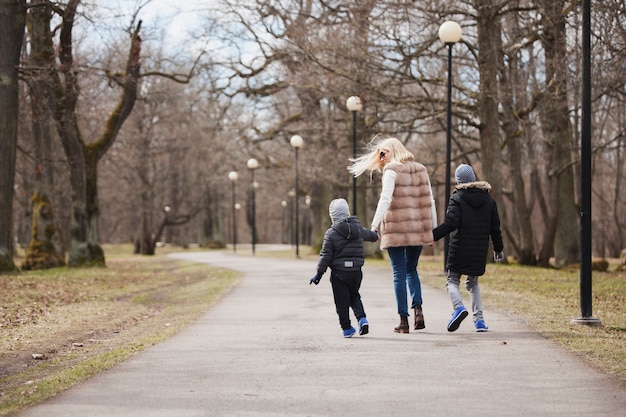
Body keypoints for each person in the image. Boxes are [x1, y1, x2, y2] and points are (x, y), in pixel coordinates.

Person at [348, 137, 437, 333]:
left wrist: (374, 224)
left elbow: (385, 198)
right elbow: (430, 200)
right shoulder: (421, 169)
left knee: (399, 273)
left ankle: (404, 321)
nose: (381, 158)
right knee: (411, 270)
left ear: (393, 151)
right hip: (416, 230)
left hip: (396, 230)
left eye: (383, 153)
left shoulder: (392, 170)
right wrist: (433, 230)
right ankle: (418, 311)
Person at [433, 164, 504, 332]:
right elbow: (495, 228)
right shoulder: (488, 200)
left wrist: (432, 236)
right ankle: (479, 321)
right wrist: (498, 249)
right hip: (479, 250)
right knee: (473, 283)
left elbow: (451, 223)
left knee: (452, 280)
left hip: (459, 247)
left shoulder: (457, 198)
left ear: (458, 181)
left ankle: (458, 307)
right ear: (473, 178)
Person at [309, 198, 379, 338]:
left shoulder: (331, 233)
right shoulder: (358, 229)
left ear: (332, 216)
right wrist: (375, 236)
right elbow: (369, 235)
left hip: (339, 274)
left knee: (341, 301)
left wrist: (319, 274)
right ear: (347, 212)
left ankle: (347, 328)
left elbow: (325, 256)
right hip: (356, 272)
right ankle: (362, 319)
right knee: (354, 295)